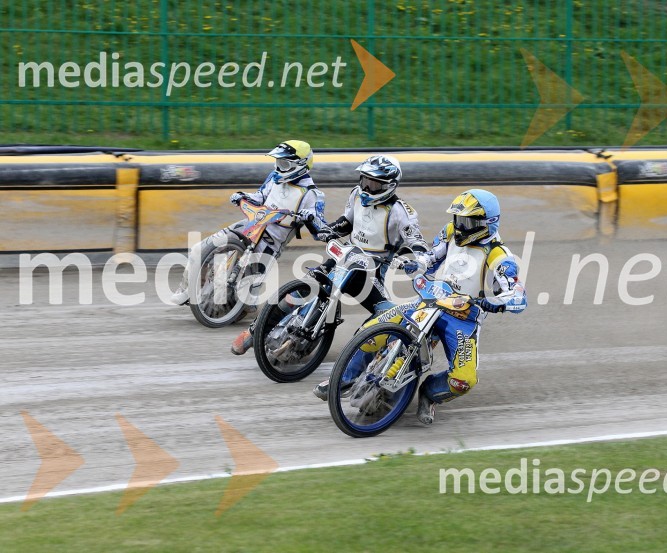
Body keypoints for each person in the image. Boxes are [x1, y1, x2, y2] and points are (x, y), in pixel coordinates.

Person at [324, 189, 527, 425]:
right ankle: (343, 379)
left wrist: (493, 303)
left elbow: (517, 295)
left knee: (463, 380)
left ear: (486, 224)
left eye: (467, 222)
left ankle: (429, 394)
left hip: (463, 318)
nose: (460, 226)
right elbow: (431, 257)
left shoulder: (499, 255)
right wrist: (416, 264)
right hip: (431, 299)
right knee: (373, 328)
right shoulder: (450, 232)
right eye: (458, 220)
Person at [232, 154, 429, 358]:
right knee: (301, 289)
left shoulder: (402, 212)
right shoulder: (356, 194)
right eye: (365, 181)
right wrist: (330, 230)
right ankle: (255, 331)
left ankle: (362, 356)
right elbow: (347, 222)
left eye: (374, 185)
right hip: (346, 256)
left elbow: (417, 242)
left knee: (386, 314)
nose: (367, 189)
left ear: (390, 185)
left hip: (373, 269)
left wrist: (420, 260)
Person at [171, 140, 326, 307]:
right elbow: (259, 196)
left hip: (269, 243)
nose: (279, 167)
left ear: (300, 165)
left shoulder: (312, 195)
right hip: (249, 225)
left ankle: (239, 308)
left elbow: (320, 232)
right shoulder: (274, 178)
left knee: (246, 302)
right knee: (198, 250)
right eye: (278, 162)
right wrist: (242, 196)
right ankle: (186, 289)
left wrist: (311, 217)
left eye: (284, 163)